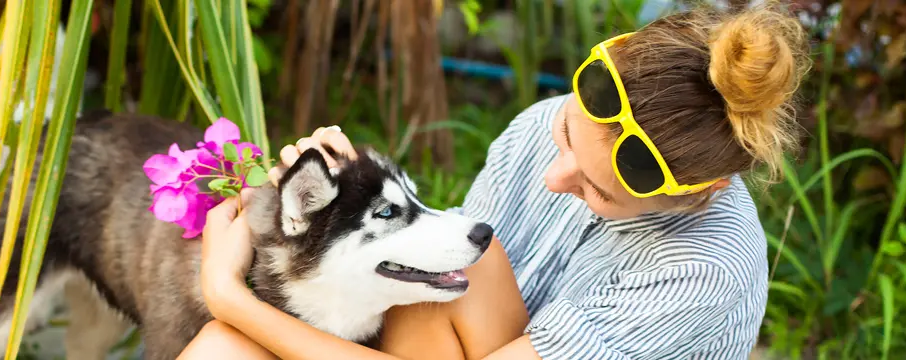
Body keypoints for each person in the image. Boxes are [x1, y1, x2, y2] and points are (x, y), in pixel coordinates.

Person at [179, 4, 810, 359]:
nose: (553, 175)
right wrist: (342, 210)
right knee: (220, 352)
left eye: (596, 191)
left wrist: (227, 291)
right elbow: (444, 283)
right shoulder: (544, 119)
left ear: (703, 191)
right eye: (568, 136)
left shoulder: (701, 272)